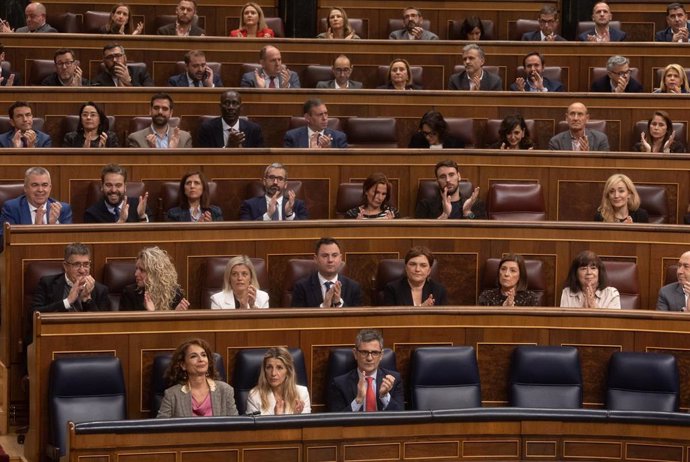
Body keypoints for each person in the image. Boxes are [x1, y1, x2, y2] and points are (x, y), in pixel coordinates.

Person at [157, 338, 238, 417]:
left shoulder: (225, 390)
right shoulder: (172, 395)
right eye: (193, 356)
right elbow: (160, 427)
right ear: (183, 365)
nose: (201, 359)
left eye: (203, 355)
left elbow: (236, 425)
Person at [327, 329, 404, 412]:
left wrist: (384, 396)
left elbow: (401, 417)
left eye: (374, 353)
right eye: (364, 352)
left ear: (381, 355)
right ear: (355, 354)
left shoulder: (393, 380)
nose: (369, 358)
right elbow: (337, 421)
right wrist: (358, 400)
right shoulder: (340, 384)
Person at [0, 167, 72, 248]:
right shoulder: (12, 208)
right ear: (25, 188)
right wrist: (35, 228)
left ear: (50, 188)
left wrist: (53, 225)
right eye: (35, 185)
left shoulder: (63, 209)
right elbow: (4, 242)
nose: (40, 190)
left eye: (45, 185)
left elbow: (68, 246)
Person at [30, 243, 111, 313]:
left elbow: (105, 325)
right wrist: (67, 301)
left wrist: (87, 300)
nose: (82, 270)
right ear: (65, 266)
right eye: (76, 264)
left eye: (86, 264)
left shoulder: (101, 290)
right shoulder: (47, 284)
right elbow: (34, 314)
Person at [291, 237, 363, 308]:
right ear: (316, 259)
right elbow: (297, 318)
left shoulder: (354, 288)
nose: (330, 260)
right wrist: (323, 306)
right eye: (325, 256)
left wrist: (339, 303)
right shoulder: (301, 287)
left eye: (334, 255)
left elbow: (358, 319)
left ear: (340, 259)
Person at [120, 246, 190, 311]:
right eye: (136, 269)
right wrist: (151, 314)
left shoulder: (174, 293)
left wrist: (177, 315)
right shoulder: (129, 293)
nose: (135, 274)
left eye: (142, 270)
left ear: (155, 273)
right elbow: (127, 324)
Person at [246, 347, 311, 415]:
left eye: (279, 368)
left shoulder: (302, 393)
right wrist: (277, 418)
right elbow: (253, 425)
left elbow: (306, 425)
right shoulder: (255, 396)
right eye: (269, 367)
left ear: (288, 371)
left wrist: (296, 416)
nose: (273, 373)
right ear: (264, 370)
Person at [415, 159, 483, 219]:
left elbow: (482, 230)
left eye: (451, 175)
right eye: (442, 177)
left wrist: (468, 212)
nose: (447, 180)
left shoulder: (475, 204)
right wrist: (444, 216)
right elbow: (420, 231)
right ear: (437, 180)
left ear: (459, 176)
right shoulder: (425, 205)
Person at [239, 163, 308, 221]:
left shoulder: (298, 205)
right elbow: (245, 232)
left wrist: (289, 214)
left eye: (280, 179)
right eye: (272, 177)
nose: (275, 182)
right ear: (264, 181)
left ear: (285, 184)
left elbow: (306, 231)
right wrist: (268, 215)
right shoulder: (249, 205)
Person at [84, 163, 151, 223]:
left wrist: (142, 216)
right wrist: (121, 221)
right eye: (109, 185)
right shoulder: (92, 214)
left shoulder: (139, 206)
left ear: (125, 187)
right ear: (102, 186)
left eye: (118, 185)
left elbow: (151, 235)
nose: (113, 190)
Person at [197, 90, 264, 148]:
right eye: (226, 103)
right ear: (220, 106)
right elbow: (204, 158)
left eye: (235, 103)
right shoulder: (207, 128)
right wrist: (228, 147)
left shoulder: (254, 130)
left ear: (241, 107)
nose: (230, 107)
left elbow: (259, 158)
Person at [383, 246, 447, 306]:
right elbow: (389, 317)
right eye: (413, 264)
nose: (417, 269)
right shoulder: (392, 289)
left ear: (429, 271)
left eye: (423, 265)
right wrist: (421, 308)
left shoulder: (439, 290)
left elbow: (443, 317)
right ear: (406, 268)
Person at [128, 93, 192, 148]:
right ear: (150, 110)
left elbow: (187, 162)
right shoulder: (136, 138)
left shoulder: (185, 138)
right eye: (156, 108)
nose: (160, 112)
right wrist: (151, 151)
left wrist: (172, 152)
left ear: (171, 113)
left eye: (165, 109)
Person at [283, 99, 348, 148]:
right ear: (307, 117)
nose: (324, 118)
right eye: (320, 115)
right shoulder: (292, 137)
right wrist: (309, 154)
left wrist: (328, 151)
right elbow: (289, 162)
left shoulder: (339, 137)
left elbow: (345, 163)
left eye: (326, 113)